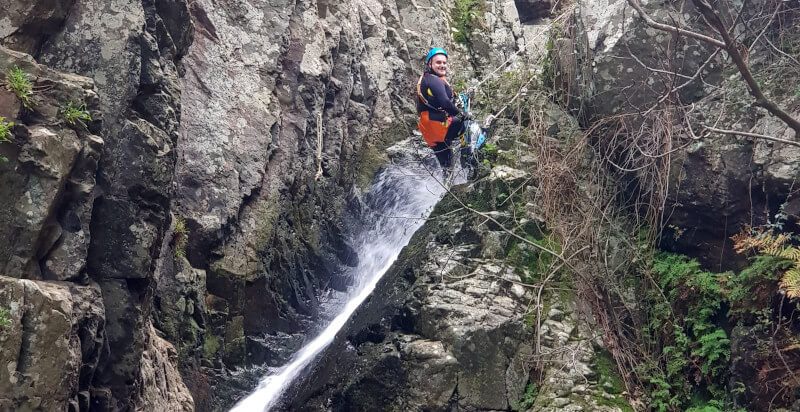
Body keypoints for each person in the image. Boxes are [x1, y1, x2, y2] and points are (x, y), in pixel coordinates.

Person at [416, 48, 468, 175]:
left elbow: (443, 99)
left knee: (447, 164)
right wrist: (462, 115)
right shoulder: (433, 80)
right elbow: (445, 102)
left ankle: (448, 183)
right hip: (438, 125)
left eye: (444, 63)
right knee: (468, 126)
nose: (442, 65)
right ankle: (469, 160)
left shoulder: (427, 79)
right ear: (430, 64)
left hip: (430, 129)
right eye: (438, 63)